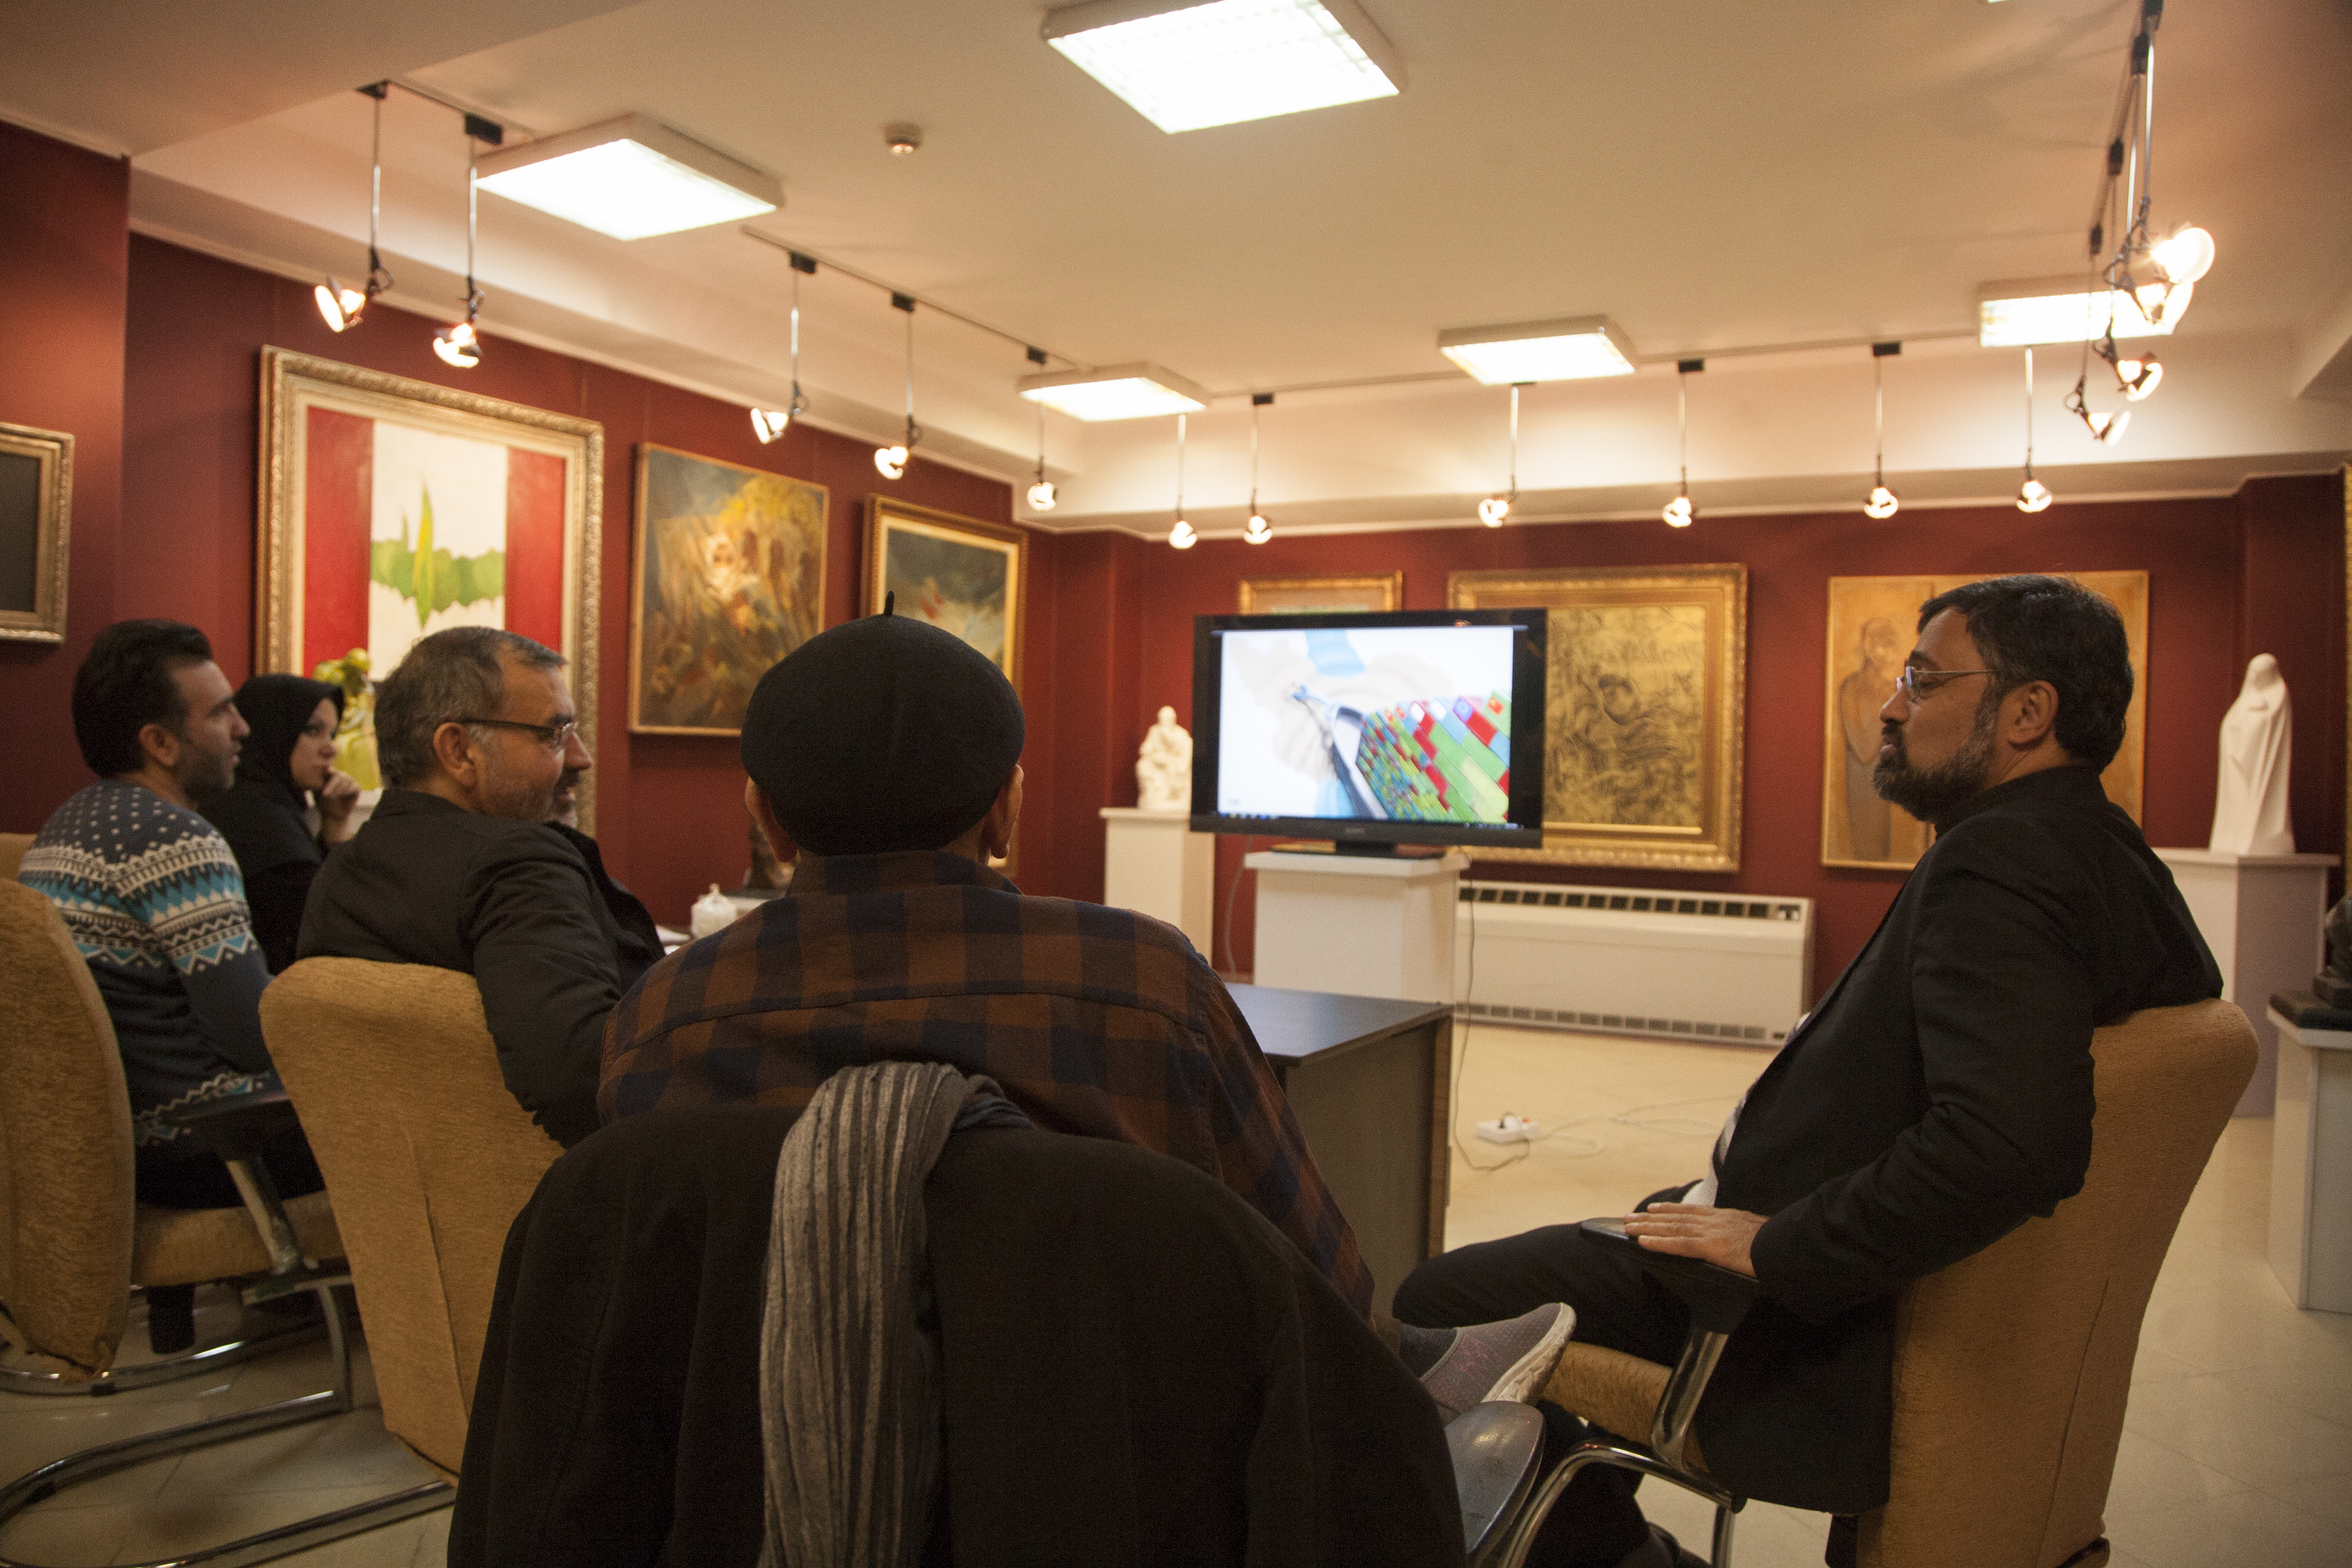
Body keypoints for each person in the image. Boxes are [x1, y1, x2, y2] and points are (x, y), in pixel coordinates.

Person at [1394, 575, 2223, 1568]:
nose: (1889, 705)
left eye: (1922, 680)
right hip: (1815, 1260)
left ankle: (1603, 1547)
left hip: (1786, 1310)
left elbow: (2011, 1142)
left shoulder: (1999, 861)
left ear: (2027, 712)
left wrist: (1778, 1243)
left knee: (1428, 1306)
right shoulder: (2109, 853)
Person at [603, 612, 1572, 1418]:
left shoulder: (662, 1018)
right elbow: (1318, 1289)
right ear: (1005, 811)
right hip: (1118, 1473)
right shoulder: (1147, 987)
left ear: (766, 818)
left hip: (751, 1474)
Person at [18, 621, 326, 1349]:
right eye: (220, 712)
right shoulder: (176, 840)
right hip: (205, 1151)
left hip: (112, 1148)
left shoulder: (63, 827)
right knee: (426, 1106)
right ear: (160, 742)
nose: (242, 728)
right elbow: (252, 1038)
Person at [300, 626, 655, 1147]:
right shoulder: (518, 865)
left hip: (399, 1188)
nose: (580, 758)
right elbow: (580, 1076)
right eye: (553, 734)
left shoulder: (342, 872)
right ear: (460, 751)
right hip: (565, 1191)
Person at [201, 673, 361, 972]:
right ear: (273, 730)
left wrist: (335, 821)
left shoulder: (263, 805)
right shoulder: (261, 825)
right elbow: (342, 927)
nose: (331, 749)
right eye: (312, 730)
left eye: (332, 734)